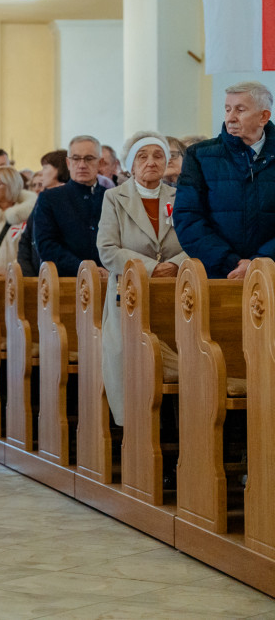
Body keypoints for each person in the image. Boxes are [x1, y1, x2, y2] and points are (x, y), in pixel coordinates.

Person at [97, 131, 187, 427]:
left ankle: (180, 430)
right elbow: (107, 249)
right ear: (130, 165)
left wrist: (175, 265)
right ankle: (135, 430)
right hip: (129, 294)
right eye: (143, 156)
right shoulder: (114, 197)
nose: (151, 162)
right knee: (128, 357)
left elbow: (194, 240)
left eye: (158, 155)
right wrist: (149, 268)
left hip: (176, 291)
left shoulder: (180, 197)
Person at [174, 81, 275, 279]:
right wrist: (230, 261)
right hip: (219, 274)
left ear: (263, 116)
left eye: (240, 110)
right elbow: (187, 217)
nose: (230, 118)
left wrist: (262, 261)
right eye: (227, 109)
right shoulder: (199, 156)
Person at [32, 136, 108, 278]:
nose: (82, 165)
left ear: (100, 163)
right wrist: (83, 268)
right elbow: (46, 245)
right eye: (76, 158)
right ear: (68, 163)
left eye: (89, 158)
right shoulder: (50, 198)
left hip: (108, 279)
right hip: (66, 281)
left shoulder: (111, 197)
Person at [18, 149, 68, 277]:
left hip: (62, 274)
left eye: (45, 167)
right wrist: (29, 278)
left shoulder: (68, 198)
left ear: (59, 169)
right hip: (37, 275)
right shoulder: (42, 198)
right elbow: (26, 240)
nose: (41, 173)